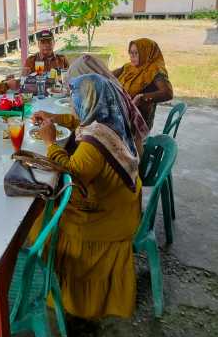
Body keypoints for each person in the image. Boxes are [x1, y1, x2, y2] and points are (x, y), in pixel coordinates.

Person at [32, 73, 142, 320]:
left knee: (44, 214)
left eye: (76, 97)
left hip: (109, 216)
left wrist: (51, 143)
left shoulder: (94, 141)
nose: (73, 102)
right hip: (123, 202)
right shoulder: (108, 119)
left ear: (89, 100)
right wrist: (52, 118)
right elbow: (75, 121)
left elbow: (73, 172)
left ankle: (67, 295)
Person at [66, 54, 149, 153]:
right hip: (131, 153)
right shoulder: (112, 89)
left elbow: (86, 126)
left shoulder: (101, 104)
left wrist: (51, 145)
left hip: (120, 157)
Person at [113, 38, 173, 129]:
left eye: (136, 53)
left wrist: (142, 97)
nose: (132, 56)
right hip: (123, 113)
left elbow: (168, 93)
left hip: (139, 120)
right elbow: (108, 74)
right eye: (131, 53)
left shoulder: (154, 70)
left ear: (146, 53)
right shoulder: (129, 67)